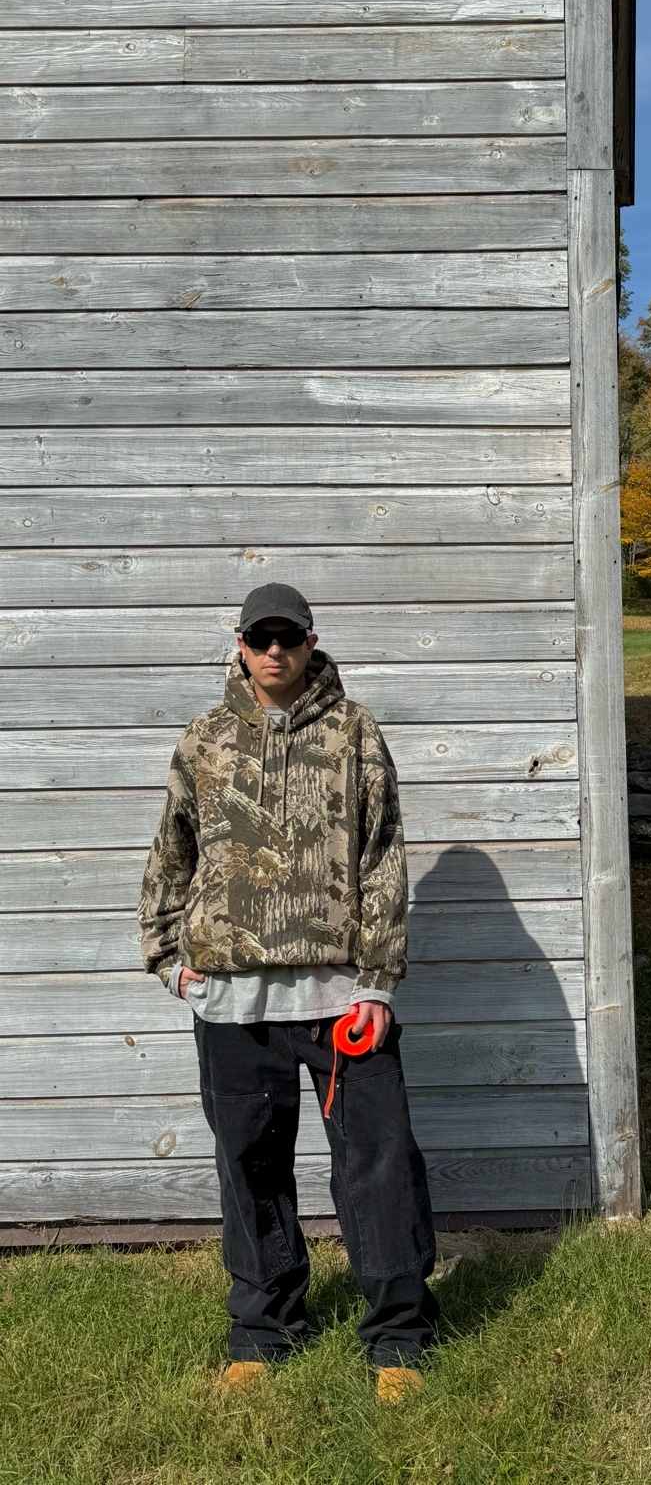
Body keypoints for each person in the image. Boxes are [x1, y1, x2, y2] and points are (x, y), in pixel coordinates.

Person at [138, 582, 438, 1401]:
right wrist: (167, 956)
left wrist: (378, 981)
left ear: (311, 643)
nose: (275, 651)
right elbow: (172, 853)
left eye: (290, 637)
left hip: (340, 999)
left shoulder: (353, 732)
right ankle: (264, 1329)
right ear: (238, 645)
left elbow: (383, 858)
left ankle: (400, 1335)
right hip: (233, 1005)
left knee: (378, 1166)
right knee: (250, 1165)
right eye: (260, 637)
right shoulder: (204, 741)